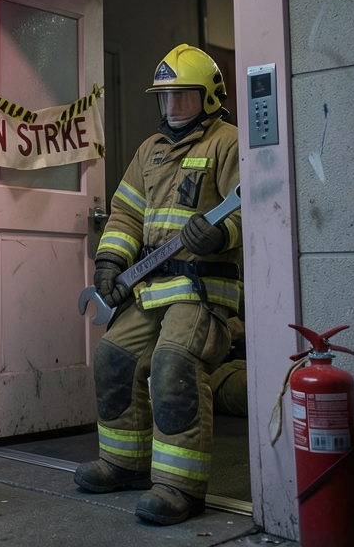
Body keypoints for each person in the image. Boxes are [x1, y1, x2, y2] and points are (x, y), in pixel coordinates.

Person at [73, 45, 242, 526]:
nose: (172, 107)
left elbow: (256, 209)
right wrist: (110, 263)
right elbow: (126, 213)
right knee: (113, 357)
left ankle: (180, 487)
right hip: (150, 288)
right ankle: (125, 464)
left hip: (202, 292)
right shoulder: (151, 150)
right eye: (165, 98)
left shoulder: (228, 143)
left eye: (182, 96)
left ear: (210, 97)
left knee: (174, 364)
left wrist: (222, 233)